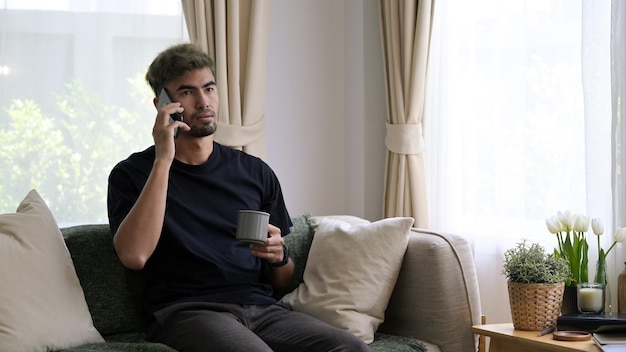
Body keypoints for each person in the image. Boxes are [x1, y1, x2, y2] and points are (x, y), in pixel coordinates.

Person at [107, 43, 370, 352]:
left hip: (262, 310)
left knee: (351, 349)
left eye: (209, 88)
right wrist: (164, 159)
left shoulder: (255, 172)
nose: (204, 101)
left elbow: (281, 280)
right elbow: (134, 256)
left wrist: (279, 256)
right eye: (187, 92)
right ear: (162, 104)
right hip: (189, 312)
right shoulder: (133, 174)